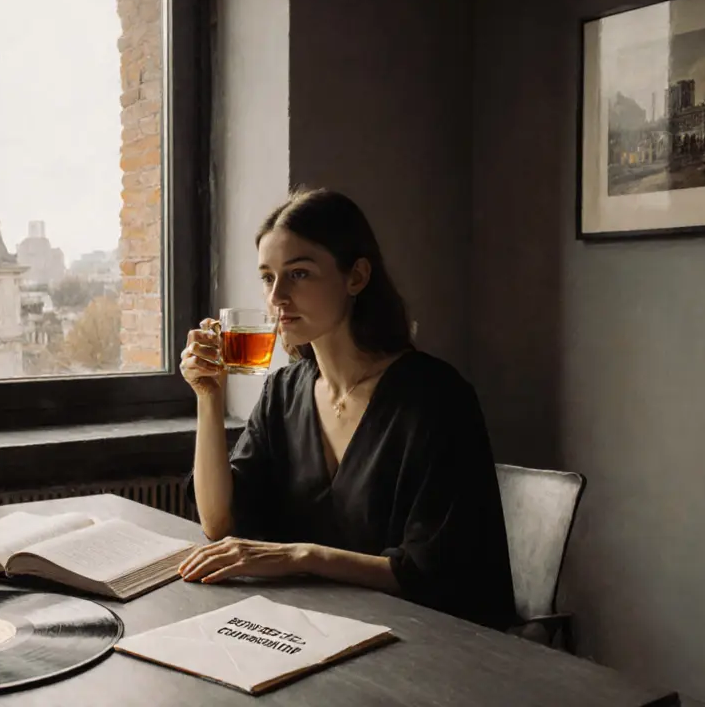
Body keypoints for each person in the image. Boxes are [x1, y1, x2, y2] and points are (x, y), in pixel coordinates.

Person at [176, 187, 517, 630]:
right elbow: (218, 523)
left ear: (356, 277)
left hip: (426, 645)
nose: (276, 297)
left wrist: (302, 556)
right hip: (314, 630)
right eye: (267, 277)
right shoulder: (283, 392)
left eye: (298, 274)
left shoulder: (436, 399)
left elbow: (434, 575)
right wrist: (209, 395)